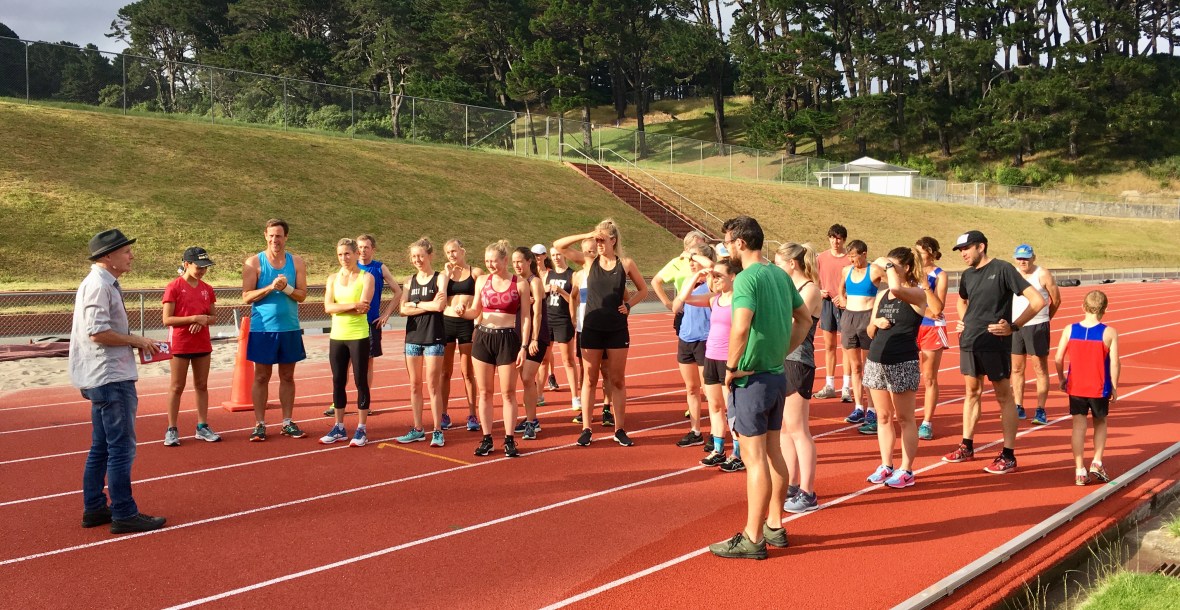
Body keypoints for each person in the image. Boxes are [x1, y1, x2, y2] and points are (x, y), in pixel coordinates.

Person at [709, 216, 811, 560]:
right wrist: (780, 351)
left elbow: (740, 327)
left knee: (754, 462)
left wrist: (731, 367)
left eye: (726, 243)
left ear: (739, 242)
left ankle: (753, 538)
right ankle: (775, 525)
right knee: (774, 453)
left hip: (751, 379)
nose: (725, 249)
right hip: (776, 375)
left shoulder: (747, 279)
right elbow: (805, 319)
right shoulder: (781, 275)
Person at [71, 228, 167, 534]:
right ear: (108, 256)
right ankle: (124, 511)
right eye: (125, 251)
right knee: (121, 447)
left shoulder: (102, 283)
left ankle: (95, 507)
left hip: (102, 375)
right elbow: (98, 332)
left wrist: (133, 342)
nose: (131, 256)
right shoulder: (99, 285)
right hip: (110, 377)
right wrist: (135, 341)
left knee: (102, 446)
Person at [943, 230, 1046, 474]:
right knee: (972, 392)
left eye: (966, 249)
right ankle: (966, 446)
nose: (963, 254)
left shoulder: (1003, 269)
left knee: (1003, 396)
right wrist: (963, 320)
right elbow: (962, 301)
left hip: (995, 342)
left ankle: (1008, 454)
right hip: (969, 341)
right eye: (960, 250)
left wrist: (1014, 326)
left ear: (981, 246)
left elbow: (1037, 301)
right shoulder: (967, 275)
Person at [555, 219, 649, 447]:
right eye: (596, 240)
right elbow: (559, 246)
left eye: (602, 239)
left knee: (617, 380)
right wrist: (587, 233)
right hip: (591, 329)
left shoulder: (625, 263)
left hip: (617, 330)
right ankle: (586, 428)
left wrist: (628, 306)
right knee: (589, 379)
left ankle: (619, 429)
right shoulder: (588, 262)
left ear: (613, 240)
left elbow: (643, 289)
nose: (597, 243)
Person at [863, 247, 938, 489]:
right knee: (883, 417)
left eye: (893, 266)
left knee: (905, 418)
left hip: (902, 361)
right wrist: (875, 322)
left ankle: (907, 469)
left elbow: (897, 288)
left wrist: (885, 266)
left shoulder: (916, 293)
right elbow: (869, 331)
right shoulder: (883, 295)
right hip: (877, 360)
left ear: (905, 268)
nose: (888, 270)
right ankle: (886, 464)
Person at [461, 240, 532, 457]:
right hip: (483, 338)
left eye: (494, 261)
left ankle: (509, 439)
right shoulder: (482, 280)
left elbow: (526, 317)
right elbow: (475, 311)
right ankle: (487, 438)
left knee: (508, 393)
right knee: (485, 392)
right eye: (487, 261)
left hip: (507, 339)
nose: (491, 264)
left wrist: (524, 346)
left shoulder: (520, 283)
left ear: (504, 260)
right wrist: (463, 311)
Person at [242, 218, 308, 442]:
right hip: (263, 330)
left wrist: (286, 287)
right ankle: (259, 424)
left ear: (286, 237)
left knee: (287, 376)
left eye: (279, 236)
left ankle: (287, 422)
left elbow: (302, 295)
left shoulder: (296, 262)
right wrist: (271, 287)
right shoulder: (254, 262)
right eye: (271, 235)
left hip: (289, 328)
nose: (274, 240)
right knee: (261, 377)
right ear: (265, 236)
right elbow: (246, 296)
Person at [323, 234, 401, 418]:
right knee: (342, 367)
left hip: (369, 323)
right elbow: (330, 307)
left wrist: (386, 314)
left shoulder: (377, 269)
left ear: (372, 249)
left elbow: (397, 291)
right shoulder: (339, 275)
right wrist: (349, 307)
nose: (363, 251)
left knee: (366, 365)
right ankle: (338, 402)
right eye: (361, 247)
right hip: (343, 329)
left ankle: (365, 401)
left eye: (366, 247)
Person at [774, 243, 822, 512]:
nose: (777, 268)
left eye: (780, 263)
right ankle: (792, 483)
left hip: (798, 362)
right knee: (784, 428)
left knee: (799, 429)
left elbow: (790, 322)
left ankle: (808, 491)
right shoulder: (791, 288)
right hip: (783, 359)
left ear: (793, 264)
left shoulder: (810, 290)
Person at [1054, 290, 1120, 486]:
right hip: (1099, 387)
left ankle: (1079, 470)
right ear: (1105, 309)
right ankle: (1097, 461)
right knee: (1100, 423)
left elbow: (1058, 358)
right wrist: (1114, 386)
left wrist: (1061, 379)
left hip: (1076, 387)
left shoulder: (1069, 329)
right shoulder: (1109, 332)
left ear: (1082, 307)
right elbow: (1115, 362)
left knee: (1078, 427)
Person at [319, 239, 376, 446]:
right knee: (337, 381)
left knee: (360, 381)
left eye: (347, 254)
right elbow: (327, 307)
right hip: (337, 336)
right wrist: (351, 304)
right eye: (340, 255)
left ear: (355, 254)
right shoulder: (332, 278)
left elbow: (364, 307)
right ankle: (339, 427)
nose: (344, 258)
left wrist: (339, 306)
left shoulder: (366, 277)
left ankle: (361, 428)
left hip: (358, 335)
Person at [161, 247, 220, 446]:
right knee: (177, 386)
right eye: (199, 266)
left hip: (202, 343)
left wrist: (204, 320)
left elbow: (212, 317)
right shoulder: (174, 287)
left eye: (205, 267)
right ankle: (172, 428)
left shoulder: (207, 289)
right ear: (186, 264)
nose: (202, 270)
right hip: (180, 344)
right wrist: (194, 318)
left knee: (201, 385)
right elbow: (167, 319)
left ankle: (202, 426)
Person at [690, 258, 744, 471]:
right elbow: (685, 298)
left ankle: (738, 453)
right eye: (713, 276)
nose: (714, 280)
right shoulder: (714, 299)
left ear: (732, 277)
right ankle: (718, 449)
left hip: (728, 359)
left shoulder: (740, 301)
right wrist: (698, 276)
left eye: (719, 275)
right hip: (710, 356)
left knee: (732, 409)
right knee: (714, 406)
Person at [398, 237, 448, 447]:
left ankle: (437, 430)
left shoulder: (441, 278)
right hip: (413, 337)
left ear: (430, 255)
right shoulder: (409, 281)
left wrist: (414, 304)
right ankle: (418, 428)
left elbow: (440, 306)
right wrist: (426, 304)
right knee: (414, 385)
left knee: (433, 386)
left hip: (434, 337)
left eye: (421, 256)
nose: (417, 260)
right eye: (414, 257)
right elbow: (402, 310)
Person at [562, 237, 613, 426]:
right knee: (585, 372)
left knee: (606, 371)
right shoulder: (577, 275)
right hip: (585, 329)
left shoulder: (607, 273)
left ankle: (607, 408)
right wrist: (574, 317)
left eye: (593, 251)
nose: (590, 254)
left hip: (604, 328)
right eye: (586, 251)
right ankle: (586, 410)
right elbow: (573, 296)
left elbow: (623, 294)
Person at [670, 243, 716, 448]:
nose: (691, 263)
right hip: (686, 339)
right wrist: (692, 279)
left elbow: (713, 265)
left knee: (709, 390)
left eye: (694, 260)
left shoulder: (713, 281)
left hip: (706, 340)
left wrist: (696, 257)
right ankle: (695, 430)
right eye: (689, 261)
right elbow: (676, 306)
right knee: (691, 389)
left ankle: (716, 433)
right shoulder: (689, 282)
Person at [1011, 244, 1062, 425]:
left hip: (1037, 326)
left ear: (1033, 258)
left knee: (1040, 369)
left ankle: (1040, 409)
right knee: (1016, 369)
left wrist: (1045, 318)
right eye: (1019, 258)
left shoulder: (1043, 274)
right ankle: (1018, 406)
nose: (1022, 261)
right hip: (1016, 326)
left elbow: (1056, 300)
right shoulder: (1012, 273)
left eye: (1025, 258)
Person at [839, 239, 886, 433]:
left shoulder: (874, 270)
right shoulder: (846, 271)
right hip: (849, 319)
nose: (851, 260)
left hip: (867, 319)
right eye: (849, 256)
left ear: (864, 254)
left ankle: (872, 409)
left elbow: (891, 283)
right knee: (855, 367)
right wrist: (842, 298)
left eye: (854, 256)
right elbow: (841, 287)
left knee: (869, 368)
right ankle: (858, 407)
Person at [442, 239, 482, 432]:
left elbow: (482, 300)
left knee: (467, 372)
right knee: (445, 372)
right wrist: (447, 275)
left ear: (462, 251)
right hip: (447, 322)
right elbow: (439, 298)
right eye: (448, 252)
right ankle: (443, 413)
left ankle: (472, 413)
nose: (452, 255)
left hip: (466, 323)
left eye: (455, 251)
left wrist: (477, 323)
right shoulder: (444, 275)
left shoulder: (475, 273)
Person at [512, 246, 549, 440]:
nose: (516, 265)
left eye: (520, 261)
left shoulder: (535, 282)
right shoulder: (516, 282)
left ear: (529, 261)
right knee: (525, 380)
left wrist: (534, 338)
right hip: (519, 335)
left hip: (537, 336)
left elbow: (539, 313)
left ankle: (532, 422)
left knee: (527, 378)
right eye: (514, 262)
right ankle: (530, 418)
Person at [915, 237, 949, 441]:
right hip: (911, 326)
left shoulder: (939, 275)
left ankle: (927, 422)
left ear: (931, 252)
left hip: (931, 329)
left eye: (921, 252)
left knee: (928, 377)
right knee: (907, 374)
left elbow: (938, 308)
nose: (918, 255)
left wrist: (920, 306)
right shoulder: (911, 271)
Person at [814, 224, 851, 402]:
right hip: (827, 304)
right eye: (832, 237)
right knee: (829, 346)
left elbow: (856, 279)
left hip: (846, 306)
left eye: (839, 238)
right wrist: (819, 291)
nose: (835, 241)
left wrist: (844, 296)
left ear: (844, 240)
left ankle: (846, 386)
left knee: (847, 347)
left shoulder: (850, 259)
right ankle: (830, 385)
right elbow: (814, 279)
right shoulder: (821, 257)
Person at [544, 246, 581, 411]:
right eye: (553, 255)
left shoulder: (571, 275)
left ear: (564, 255)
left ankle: (575, 396)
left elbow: (576, 300)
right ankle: (539, 395)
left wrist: (561, 291)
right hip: (547, 319)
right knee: (544, 359)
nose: (556, 257)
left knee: (568, 360)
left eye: (558, 254)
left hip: (563, 320)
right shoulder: (547, 274)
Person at [652, 231, 710, 335]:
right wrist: (668, 304)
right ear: (686, 249)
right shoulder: (678, 262)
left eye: (702, 246)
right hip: (685, 308)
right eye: (696, 246)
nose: (699, 249)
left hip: (706, 307)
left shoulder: (708, 261)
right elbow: (655, 281)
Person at [532, 243, 560, 395]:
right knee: (541, 350)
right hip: (533, 315)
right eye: (533, 255)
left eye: (538, 254)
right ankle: (548, 376)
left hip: (548, 314)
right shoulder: (530, 274)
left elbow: (556, 292)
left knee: (545, 352)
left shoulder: (552, 274)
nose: (536, 257)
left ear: (544, 256)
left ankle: (547, 379)